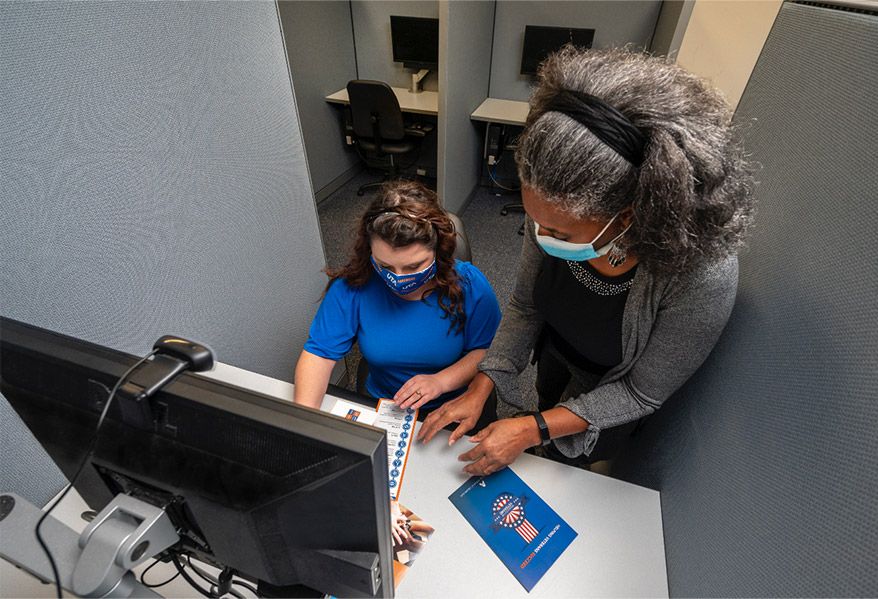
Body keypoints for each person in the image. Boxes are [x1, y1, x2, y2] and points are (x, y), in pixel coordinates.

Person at [417, 47, 755, 475]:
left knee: (565, 468)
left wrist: (531, 430)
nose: (540, 236)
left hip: (612, 385)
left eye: (559, 233)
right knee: (547, 400)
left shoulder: (700, 272)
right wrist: (483, 385)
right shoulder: (553, 211)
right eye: (533, 221)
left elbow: (640, 393)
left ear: (630, 216)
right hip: (558, 351)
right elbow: (525, 306)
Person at [293, 180, 502, 423]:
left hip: (454, 402)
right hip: (387, 405)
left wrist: (441, 381)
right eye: (385, 266)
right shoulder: (354, 285)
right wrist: (303, 421)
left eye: (414, 266)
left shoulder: (470, 285)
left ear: (439, 251)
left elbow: (488, 352)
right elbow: (319, 354)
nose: (398, 278)